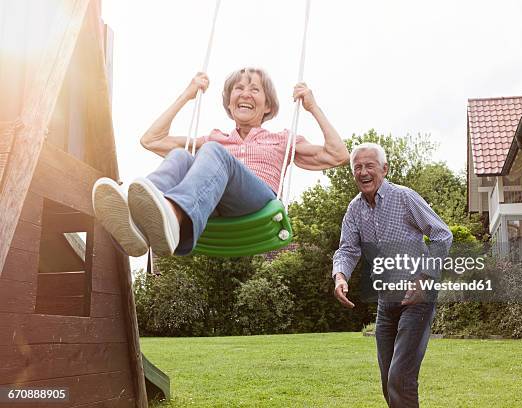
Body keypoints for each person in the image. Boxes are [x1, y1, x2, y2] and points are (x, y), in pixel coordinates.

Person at [92, 68, 348, 257]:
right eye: (238, 88)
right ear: (229, 102)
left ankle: (170, 213)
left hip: (256, 202)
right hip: (210, 202)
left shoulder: (281, 138)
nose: (245, 93)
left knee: (213, 151)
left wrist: (312, 107)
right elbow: (151, 139)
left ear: (268, 105)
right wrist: (187, 95)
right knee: (182, 155)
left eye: (254, 89)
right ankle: (135, 221)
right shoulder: (216, 139)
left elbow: (338, 155)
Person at [331, 142, 452, 408]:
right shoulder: (355, 209)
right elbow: (348, 249)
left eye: (369, 166)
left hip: (417, 299)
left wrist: (424, 278)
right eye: (357, 167)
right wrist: (340, 275)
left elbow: (442, 234)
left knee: (400, 377)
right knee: (388, 380)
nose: (363, 172)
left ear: (384, 169)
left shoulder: (404, 197)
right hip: (386, 302)